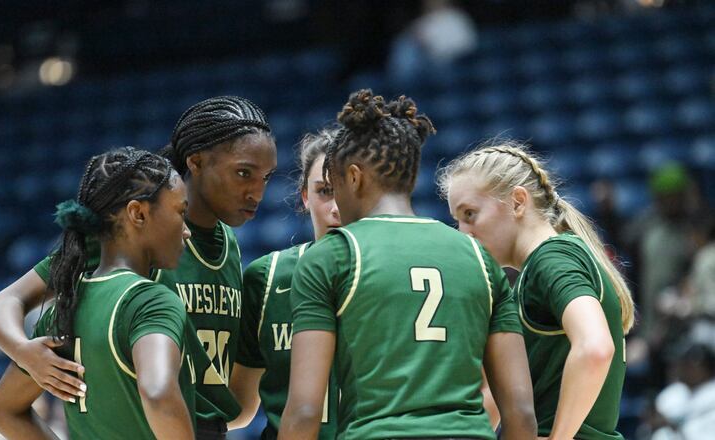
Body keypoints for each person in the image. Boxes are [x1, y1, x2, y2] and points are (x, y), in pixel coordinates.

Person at [0, 96, 277, 439]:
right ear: (196, 162)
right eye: (244, 173)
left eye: (267, 177)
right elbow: (6, 301)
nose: (257, 191)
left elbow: (231, 404)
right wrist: (23, 351)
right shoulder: (127, 238)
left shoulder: (230, 246)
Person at [280, 90, 536, 439]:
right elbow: (521, 412)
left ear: (353, 177)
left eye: (334, 185)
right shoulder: (479, 259)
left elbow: (306, 411)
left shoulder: (331, 255)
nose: (336, 204)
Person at [0, 147, 196, 439]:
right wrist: (22, 351)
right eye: (180, 212)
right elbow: (158, 395)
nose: (187, 230)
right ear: (137, 213)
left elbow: (1, 410)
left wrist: (24, 352)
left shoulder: (62, 310)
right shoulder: (150, 301)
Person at [439, 140, 636, 439]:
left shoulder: (550, 258)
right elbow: (494, 398)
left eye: (469, 214)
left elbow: (595, 348)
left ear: (518, 201)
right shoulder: (541, 267)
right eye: (457, 221)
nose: (463, 233)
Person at [229, 128, 341, 438]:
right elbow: (239, 407)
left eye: (348, 191)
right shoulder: (267, 277)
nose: (336, 208)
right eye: (325, 191)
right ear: (305, 196)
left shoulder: (398, 275)